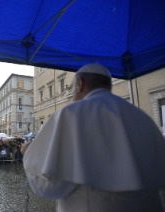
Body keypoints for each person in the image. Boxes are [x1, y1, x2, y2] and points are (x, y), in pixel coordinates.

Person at [23, 63, 165, 211]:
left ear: (79, 84)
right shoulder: (142, 116)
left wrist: (28, 154)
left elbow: (49, 188)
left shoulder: (71, 114)